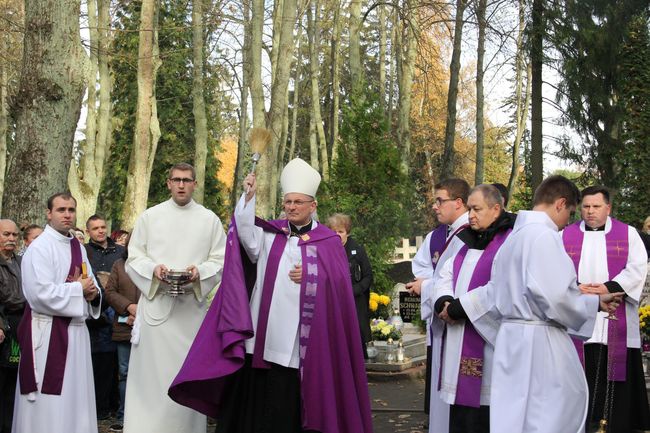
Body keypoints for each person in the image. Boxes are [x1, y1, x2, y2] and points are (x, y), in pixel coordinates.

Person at [169, 158, 373, 433]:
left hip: (305, 344)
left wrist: (314, 278)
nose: (291, 207)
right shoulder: (270, 234)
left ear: (313, 206)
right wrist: (248, 196)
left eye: (298, 202)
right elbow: (244, 235)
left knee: (292, 401)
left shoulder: (329, 242)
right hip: (264, 337)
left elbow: (339, 287)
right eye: (288, 202)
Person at [462, 176, 622, 433]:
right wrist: (594, 304)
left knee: (514, 418)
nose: (568, 222)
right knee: (549, 415)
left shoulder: (511, 240)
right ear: (561, 203)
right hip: (538, 342)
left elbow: (498, 292)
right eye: (570, 212)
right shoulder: (543, 238)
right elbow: (557, 298)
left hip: (511, 340)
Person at [123, 162, 226, 433]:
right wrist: (153, 270)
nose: (181, 185)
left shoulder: (209, 219)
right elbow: (134, 258)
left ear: (194, 184)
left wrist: (199, 272)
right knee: (151, 382)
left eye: (187, 180)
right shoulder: (150, 217)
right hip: (157, 309)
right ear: (168, 183)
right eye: (176, 180)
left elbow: (220, 259)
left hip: (190, 313)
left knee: (186, 377)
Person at [562, 186, 650, 432]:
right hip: (581, 315)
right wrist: (580, 289)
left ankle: (616, 424)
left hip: (616, 311)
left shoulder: (629, 234)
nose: (590, 212)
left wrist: (608, 287)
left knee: (615, 379)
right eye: (586, 207)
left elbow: (637, 268)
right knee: (583, 374)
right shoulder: (565, 235)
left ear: (608, 208)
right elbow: (557, 271)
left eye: (596, 206)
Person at [13, 192, 101, 433]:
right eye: (61, 210)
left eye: (71, 210)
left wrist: (93, 294)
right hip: (48, 333)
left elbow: (89, 281)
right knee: (49, 403)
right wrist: (78, 288)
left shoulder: (77, 247)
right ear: (48, 213)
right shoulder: (39, 248)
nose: (67, 215)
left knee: (77, 398)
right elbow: (38, 294)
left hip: (77, 335)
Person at [432, 185, 515, 432]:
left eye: (477, 209)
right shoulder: (468, 238)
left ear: (496, 209)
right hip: (458, 337)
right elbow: (445, 273)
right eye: (469, 209)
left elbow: (501, 286)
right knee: (461, 415)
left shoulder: (510, 241)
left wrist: (460, 309)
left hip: (487, 342)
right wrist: (444, 302)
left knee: (484, 415)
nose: (470, 215)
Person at [406, 178, 469, 433]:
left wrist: (427, 287)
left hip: (457, 320)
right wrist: (427, 283)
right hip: (441, 321)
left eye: (439, 200)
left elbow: (463, 279)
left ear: (458, 202)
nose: (435, 206)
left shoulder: (467, 235)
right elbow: (424, 267)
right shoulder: (439, 235)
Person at [85, 214, 125, 421]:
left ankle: (116, 405)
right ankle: (98, 408)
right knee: (98, 362)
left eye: (103, 227)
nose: (100, 231)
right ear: (88, 231)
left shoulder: (120, 252)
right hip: (95, 313)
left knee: (119, 362)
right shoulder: (84, 251)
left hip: (118, 310)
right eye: (95, 228)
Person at [326, 213, 373, 359]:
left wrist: (354, 290)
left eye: (340, 231)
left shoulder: (357, 249)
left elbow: (368, 276)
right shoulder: (326, 250)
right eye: (333, 231)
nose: (337, 235)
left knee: (355, 344)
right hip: (333, 302)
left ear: (347, 232)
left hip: (354, 301)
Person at [104, 234, 138, 432]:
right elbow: (110, 292)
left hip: (149, 327)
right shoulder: (119, 264)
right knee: (124, 373)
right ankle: (124, 416)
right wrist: (129, 308)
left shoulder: (155, 265)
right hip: (124, 326)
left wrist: (142, 313)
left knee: (148, 374)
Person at [0, 219, 23, 433]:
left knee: (13, 383)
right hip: (3, 325)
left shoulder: (23, 261)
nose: (11, 239)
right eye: (6, 234)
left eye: (14, 235)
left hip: (20, 327)